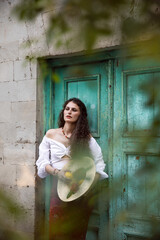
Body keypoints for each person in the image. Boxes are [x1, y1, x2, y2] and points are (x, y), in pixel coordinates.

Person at [36, 98, 108, 240]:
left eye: (74, 110)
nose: (69, 112)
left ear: (80, 115)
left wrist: (87, 187)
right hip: (57, 187)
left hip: (80, 188)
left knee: (77, 231)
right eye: (67, 108)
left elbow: (99, 164)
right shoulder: (51, 134)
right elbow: (42, 162)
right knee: (57, 229)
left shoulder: (86, 138)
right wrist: (57, 172)